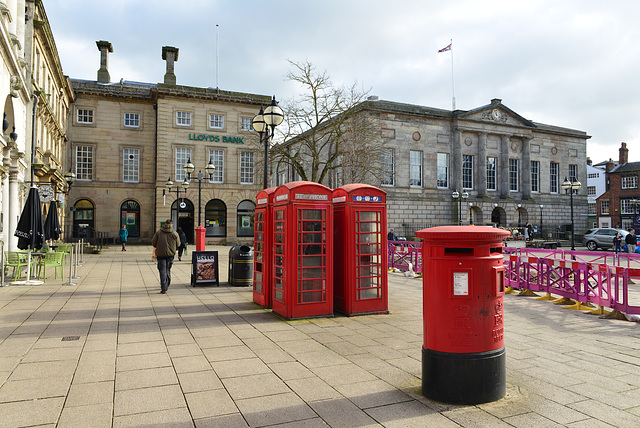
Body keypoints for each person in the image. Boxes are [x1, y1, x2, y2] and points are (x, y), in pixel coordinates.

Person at [151, 219, 180, 294]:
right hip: (170, 255)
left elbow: (154, 243)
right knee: (168, 269)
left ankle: (164, 288)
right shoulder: (174, 233)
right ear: (172, 225)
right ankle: (167, 283)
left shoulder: (158, 232)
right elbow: (178, 244)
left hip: (160, 254)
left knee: (162, 270)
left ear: (165, 224)